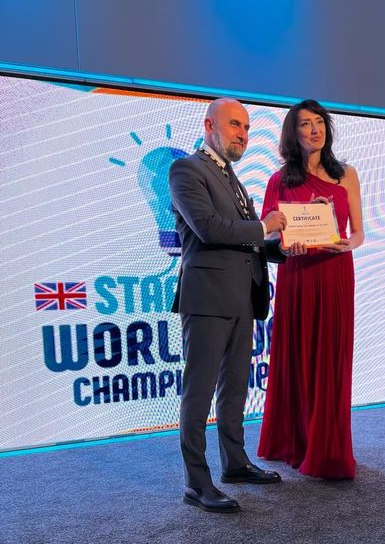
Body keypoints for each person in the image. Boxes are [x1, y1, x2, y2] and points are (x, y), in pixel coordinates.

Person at [169, 98, 287, 513]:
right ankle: (196, 484)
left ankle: (235, 464)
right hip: (206, 299)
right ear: (209, 126)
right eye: (235, 124)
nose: (243, 134)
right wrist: (264, 226)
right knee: (198, 394)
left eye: (247, 127)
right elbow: (209, 228)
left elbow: (245, 242)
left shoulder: (231, 176)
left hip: (241, 298)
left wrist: (281, 248)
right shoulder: (186, 170)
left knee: (235, 388)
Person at [257, 99, 365, 480]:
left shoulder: (346, 175)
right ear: (293, 133)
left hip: (335, 273)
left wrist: (345, 243)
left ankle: (328, 449)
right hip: (298, 276)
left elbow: (358, 233)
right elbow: (268, 237)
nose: (315, 129)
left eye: (319, 122)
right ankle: (297, 441)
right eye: (305, 124)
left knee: (331, 359)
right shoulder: (278, 180)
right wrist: (288, 245)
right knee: (298, 356)